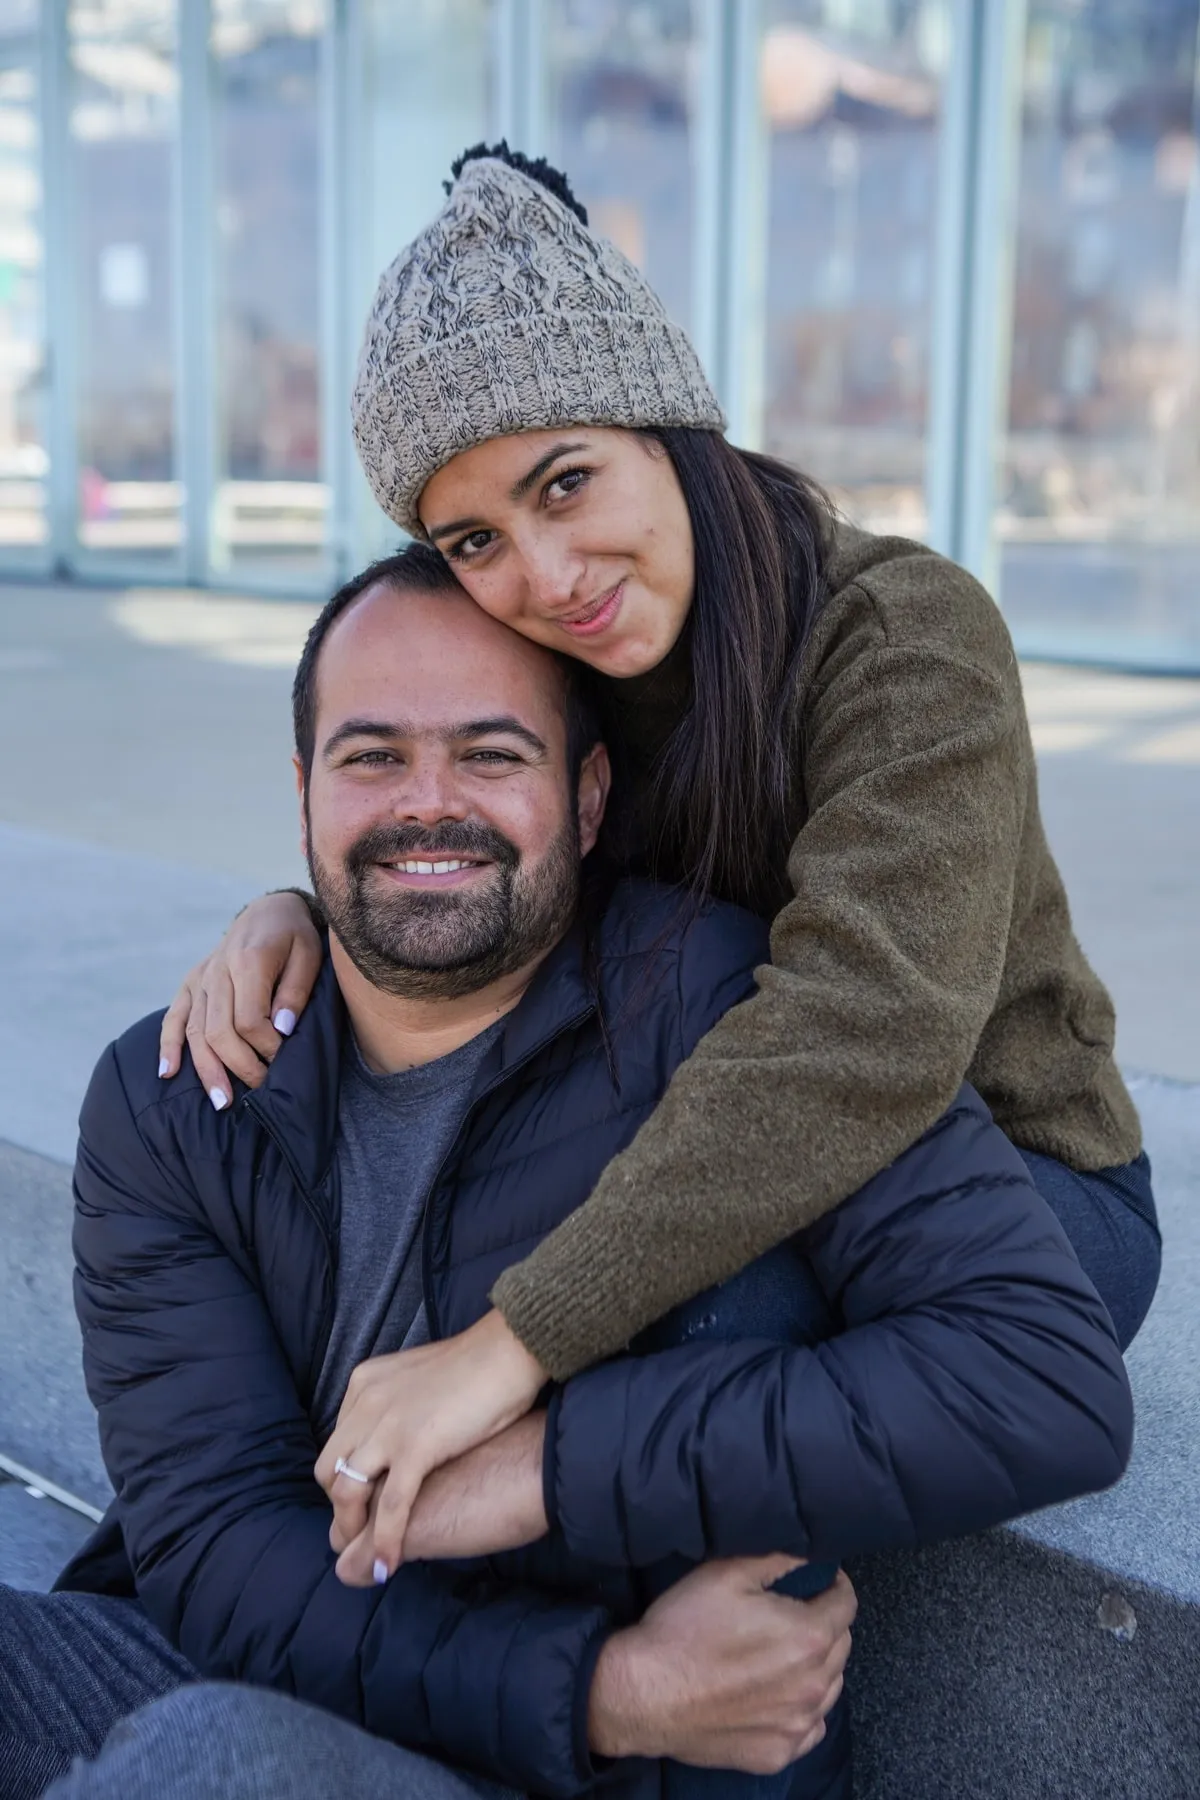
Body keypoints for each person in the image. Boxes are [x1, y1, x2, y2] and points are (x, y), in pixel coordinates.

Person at [157, 146, 1160, 1586]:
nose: (549, 573)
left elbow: (865, 1030)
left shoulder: (904, 637)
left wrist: (511, 1349)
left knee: (706, 1318)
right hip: (710, 1119)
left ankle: (670, 1667)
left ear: (669, 424)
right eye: (476, 539)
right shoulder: (575, 662)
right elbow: (480, 828)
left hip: (1002, 1186)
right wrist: (306, 909)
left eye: (568, 483)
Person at [1, 549, 1133, 1800]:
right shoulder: (180, 1091)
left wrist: (548, 1467)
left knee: (210, 1762)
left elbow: (1039, 1382)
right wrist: (601, 1688)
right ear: (304, 788)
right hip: (324, 1663)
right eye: (371, 756)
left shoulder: (726, 1019)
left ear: (590, 798)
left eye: (491, 755)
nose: (428, 804)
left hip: (561, 1763)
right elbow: (218, 1543)